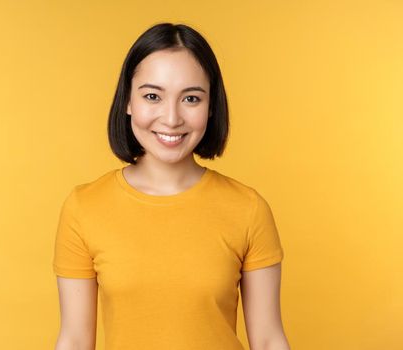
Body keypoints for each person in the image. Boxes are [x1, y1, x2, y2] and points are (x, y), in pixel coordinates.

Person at [53, 23, 290, 350]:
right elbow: (75, 341)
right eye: (152, 96)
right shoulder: (84, 207)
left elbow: (267, 341)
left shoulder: (248, 209)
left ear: (210, 107)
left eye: (191, 98)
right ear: (128, 101)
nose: (171, 117)